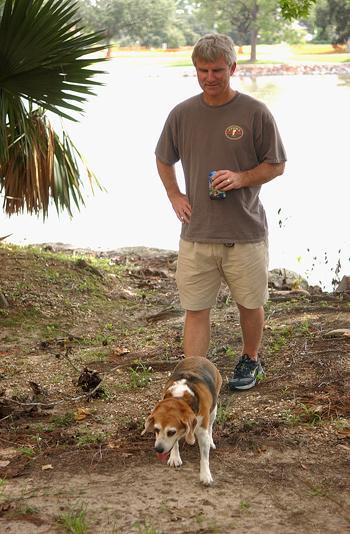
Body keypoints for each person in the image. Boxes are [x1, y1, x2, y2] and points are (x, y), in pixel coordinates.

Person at [155, 33, 287, 391]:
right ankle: (193, 376)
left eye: (217, 70)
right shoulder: (182, 114)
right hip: (197, 232)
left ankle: (251, 359)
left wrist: (242, 177)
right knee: (195, 309)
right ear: (195, 70)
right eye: (202, 70)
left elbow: (276, 164)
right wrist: (174, 196)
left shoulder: (255, 112)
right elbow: (163, 158)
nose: (209, 77)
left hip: (244, 232)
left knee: (249, 303)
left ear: (232, 67)